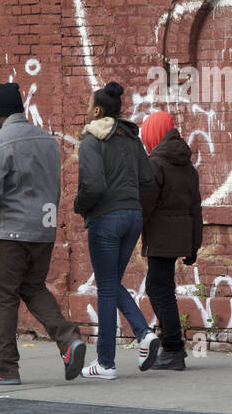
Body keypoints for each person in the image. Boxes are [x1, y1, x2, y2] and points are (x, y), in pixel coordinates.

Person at [0, 82, 85, 386]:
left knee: (4, 296)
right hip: (43, 232)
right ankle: (69, 339)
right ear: (20, 108)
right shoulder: (48, 141)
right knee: (33, 288)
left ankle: (5, 367)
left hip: (10, 233)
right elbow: (55, 187)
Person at [74, 81, 160, 379]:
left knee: (107, 288)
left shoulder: (91, 141)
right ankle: (144, 334)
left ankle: (107, 363)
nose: (86, 110)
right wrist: (132, 206)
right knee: (110, 283)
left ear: (97, 110)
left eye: (88, 105)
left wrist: (80, 205)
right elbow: (148, 181)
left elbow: (94, 185)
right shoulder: (132, 139)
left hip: (106, 220)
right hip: (133, 217)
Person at [139, 111, 203, 371]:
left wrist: (134, 227)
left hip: (161, 238)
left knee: (159, 290)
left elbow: (146, 205)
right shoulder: (186, 164)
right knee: (162, 288)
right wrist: (193, 244)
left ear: (153, 134)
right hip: (179, 236)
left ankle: (173, 349)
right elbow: (196, 207)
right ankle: (171, 346)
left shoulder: (155, 164)